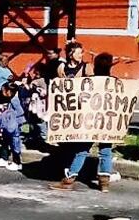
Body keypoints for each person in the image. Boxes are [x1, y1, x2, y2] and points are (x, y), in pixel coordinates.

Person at [49, 53, 117, 193]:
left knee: (81, 150)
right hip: (107, 122)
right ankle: (104, 183)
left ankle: (69, 180)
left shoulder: (87, 82)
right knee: (105, 151)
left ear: (95, 66)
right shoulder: (115, 83)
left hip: (90, 122)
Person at [0, 82, 25, 171]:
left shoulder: (15, 100)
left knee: (14, 144)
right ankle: (4, 158)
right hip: (9, 125)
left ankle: (17, 162)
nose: (2, 92)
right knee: (5, 141)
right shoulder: (12, 99)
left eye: (3, 91)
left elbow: (20, 112)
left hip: (13, 126)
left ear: (9, 91)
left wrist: (9, 114)